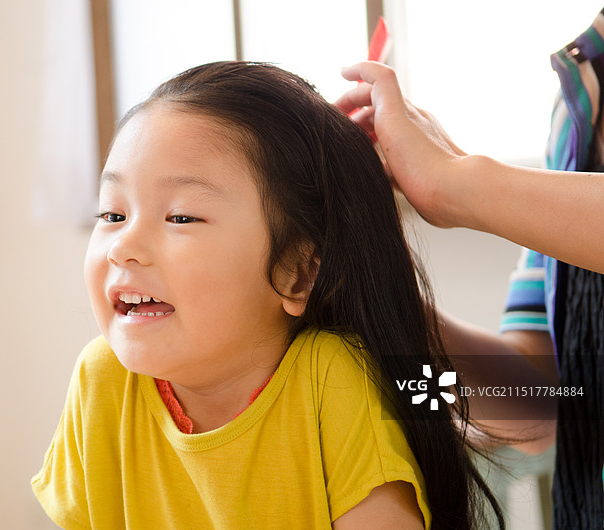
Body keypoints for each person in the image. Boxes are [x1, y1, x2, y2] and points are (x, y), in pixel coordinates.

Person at [31, 61, 505, 529]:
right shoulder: (102, 378)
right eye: (112, 215)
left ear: (297, 274)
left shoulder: (333, 379)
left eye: (181, 217)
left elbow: (551, 398)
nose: (123, 248)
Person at [337, 33, 604, 527]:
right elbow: (545, 409)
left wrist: (458, 183)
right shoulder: (576, 100)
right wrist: (393, 305)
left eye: (182, 216)